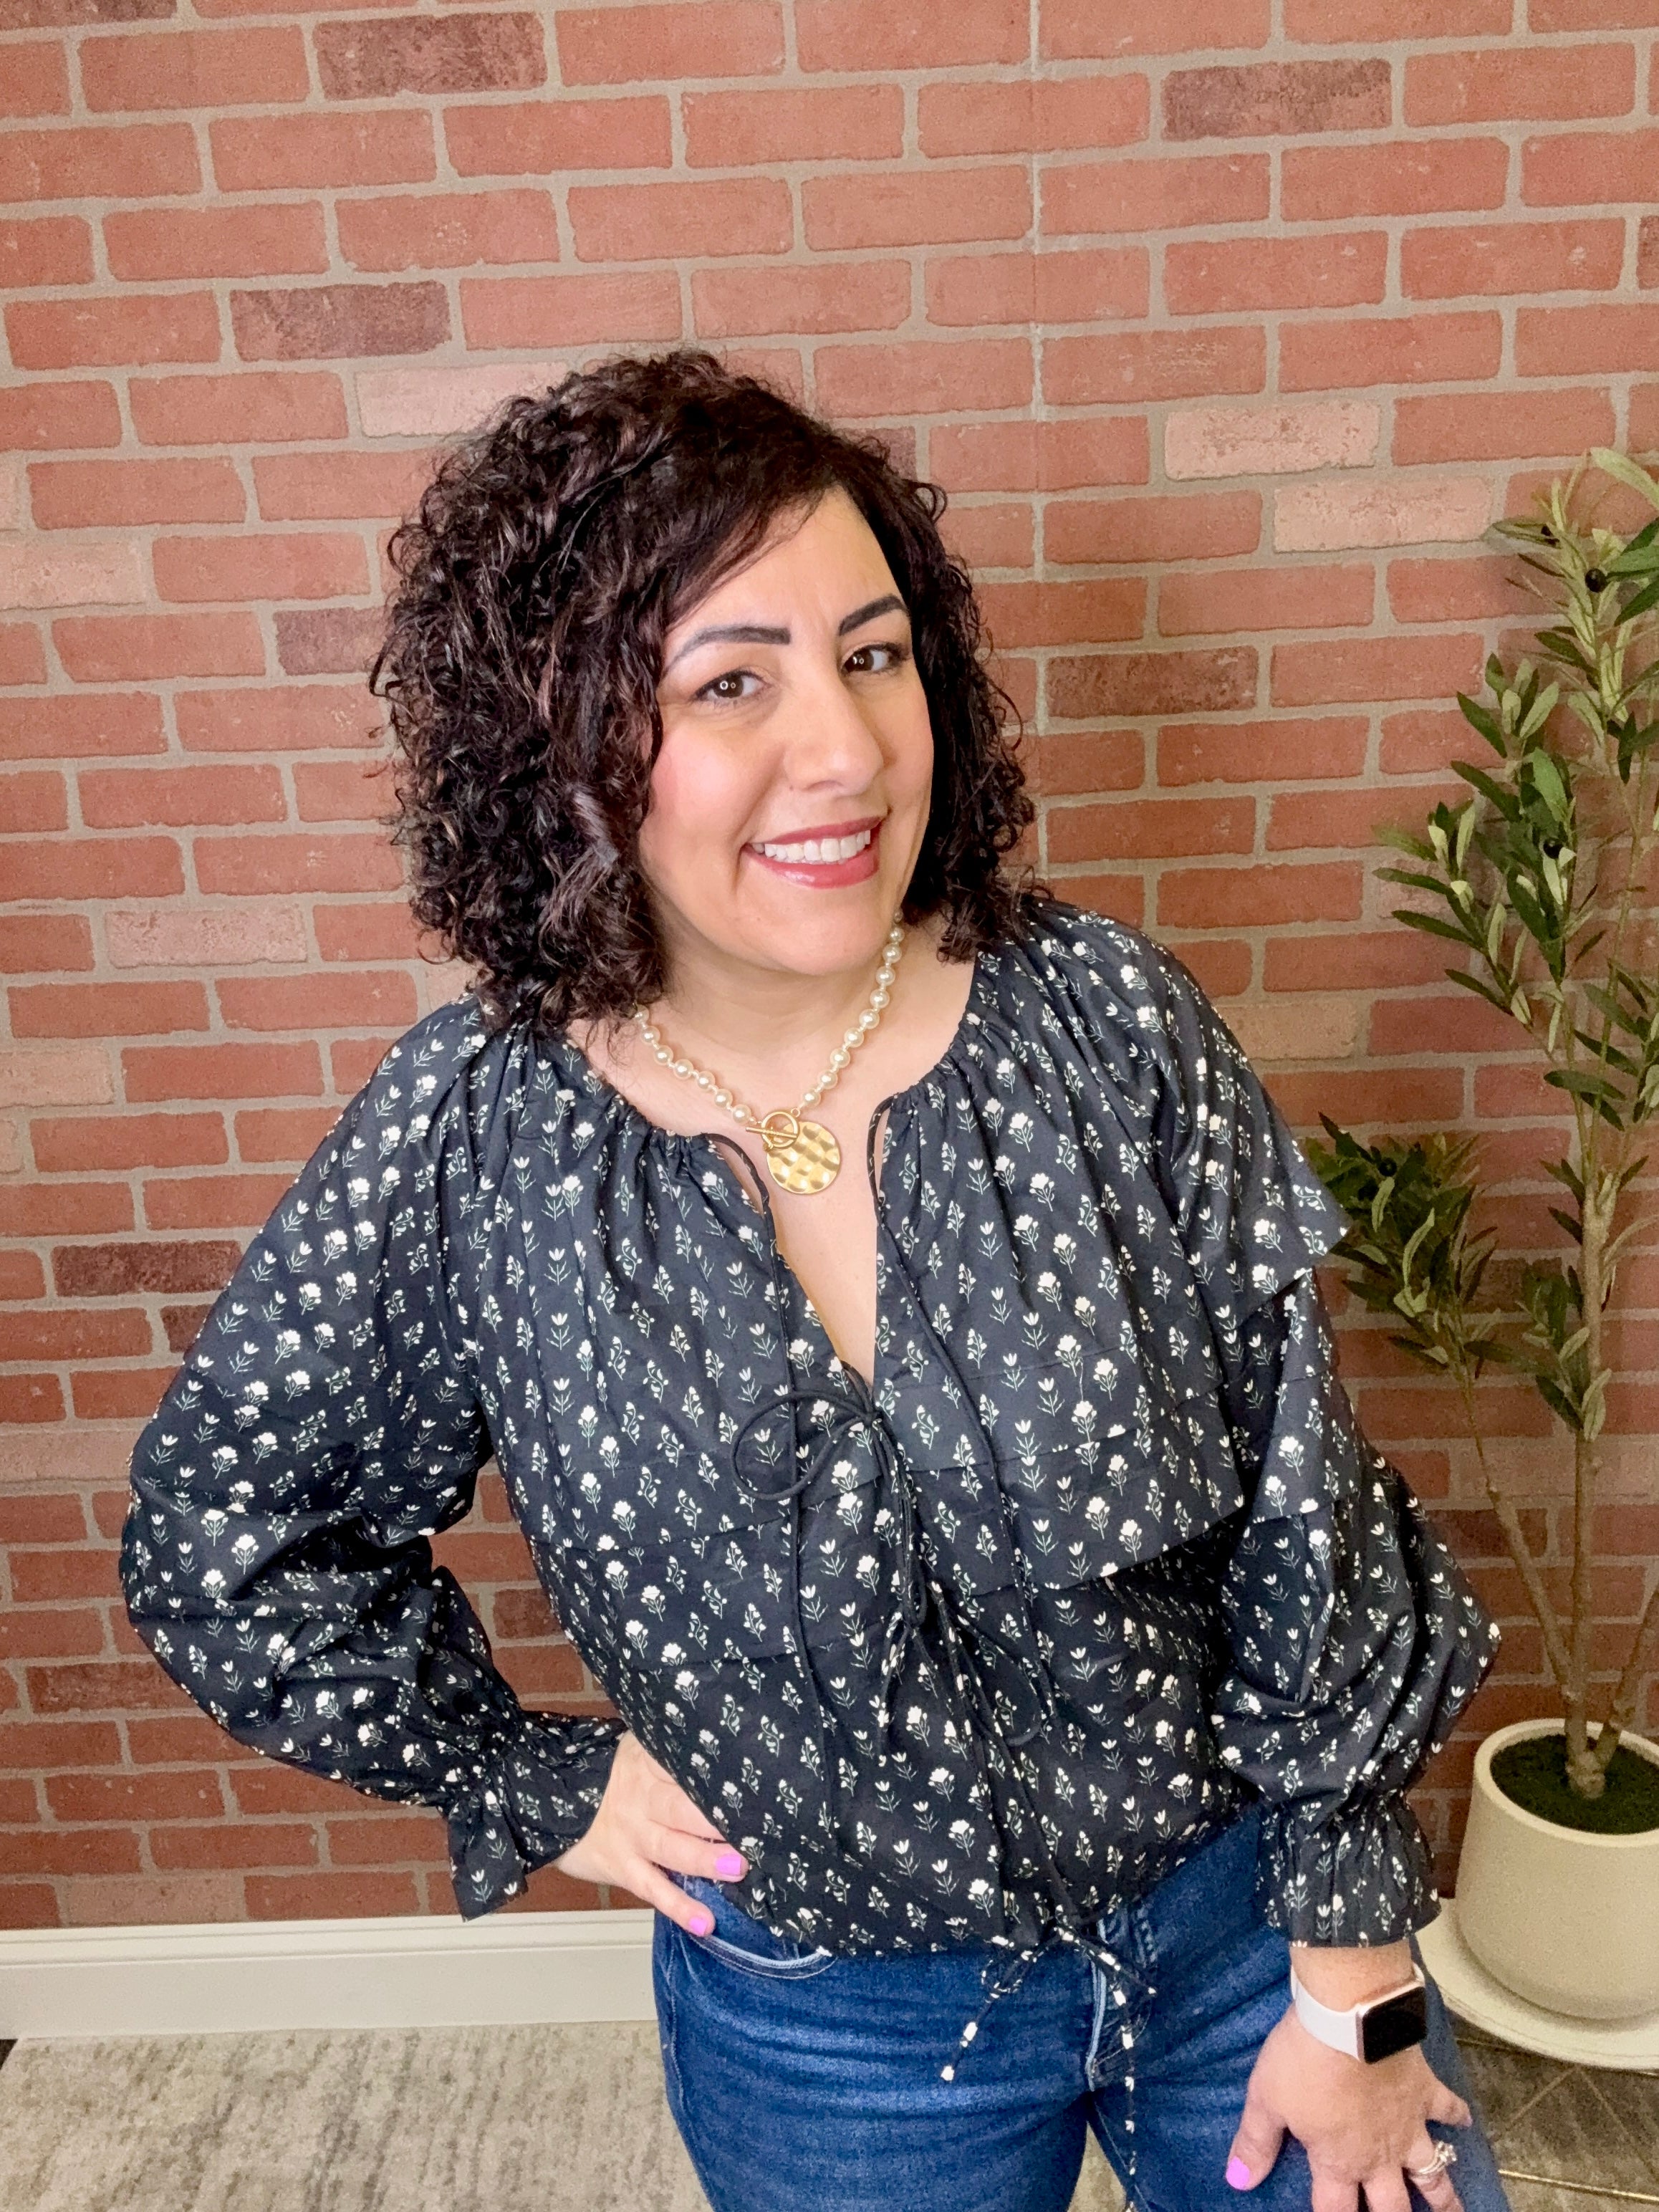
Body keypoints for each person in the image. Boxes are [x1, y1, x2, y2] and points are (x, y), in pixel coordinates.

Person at [122, 350, 1511, 2212]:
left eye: (874, 655)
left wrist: (1353, 1977)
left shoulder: (1097, 1024)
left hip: (1244, 1920)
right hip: (826, 2013)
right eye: (731, 681)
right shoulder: (475, 1136)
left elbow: (1302, 1494)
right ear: (561, 739)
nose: (846, 750)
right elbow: (224, 1538)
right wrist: (536, 1779)